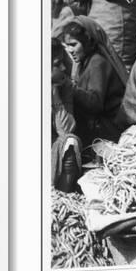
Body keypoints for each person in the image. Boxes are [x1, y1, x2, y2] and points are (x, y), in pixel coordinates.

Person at [61, 16, 128, 158]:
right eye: (67, 45)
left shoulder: (97, 63)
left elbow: (95, 103)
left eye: (73, 44)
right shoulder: (85, 62)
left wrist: (68, 87)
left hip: (108, 130)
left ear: (86, 42)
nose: (70, 50)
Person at [51, 38, 82, 193]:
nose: (63, 68)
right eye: (57, 64)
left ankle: (63, 195)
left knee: (70, 142)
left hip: (52, 147)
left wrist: (55, 95)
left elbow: (66, 129)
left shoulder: (65, 86)